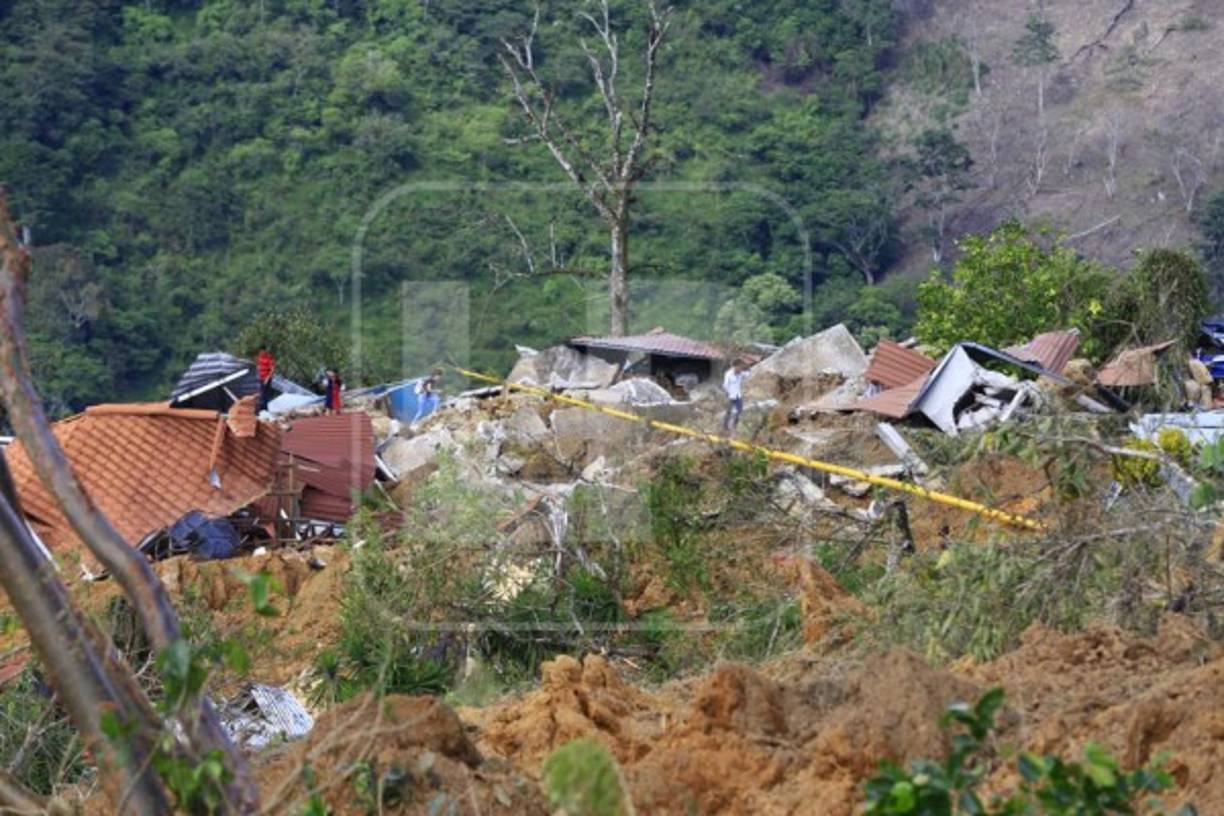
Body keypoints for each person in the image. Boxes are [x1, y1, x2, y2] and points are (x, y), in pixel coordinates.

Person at [722, 359, 748, 431]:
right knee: (728, 411)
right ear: (735, 366)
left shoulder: (741, 374)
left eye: (741, 367)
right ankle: (725, 427)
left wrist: (747, 367)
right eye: (739, 367)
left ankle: (735, 425)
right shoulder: (728, 374)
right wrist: (727, 394)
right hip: (730, 396)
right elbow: (725, 385)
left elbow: (748, 374)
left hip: (738, 395)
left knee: (740, 410)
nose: (740, 368)